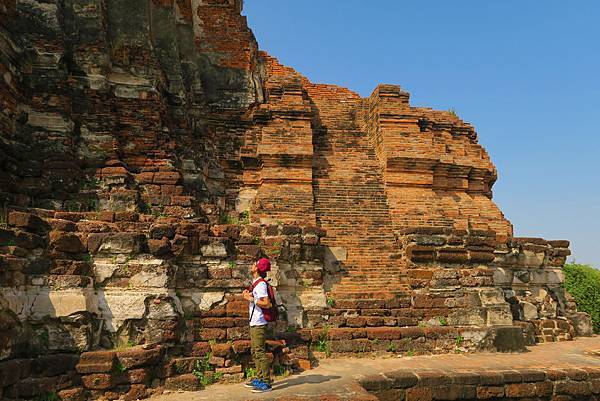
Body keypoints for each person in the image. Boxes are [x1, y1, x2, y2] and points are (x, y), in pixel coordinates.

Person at [242, 257, 273, 393]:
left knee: (259, 352)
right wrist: (249, 296)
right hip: (254, 321)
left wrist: (251, 299)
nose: (252, 265)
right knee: (255, 351)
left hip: (259, 322)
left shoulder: (261, 285)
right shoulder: (256, 283)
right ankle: (259, 378)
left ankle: (266, 382)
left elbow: (267, 303)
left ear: (258, 269)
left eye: (254, 264)